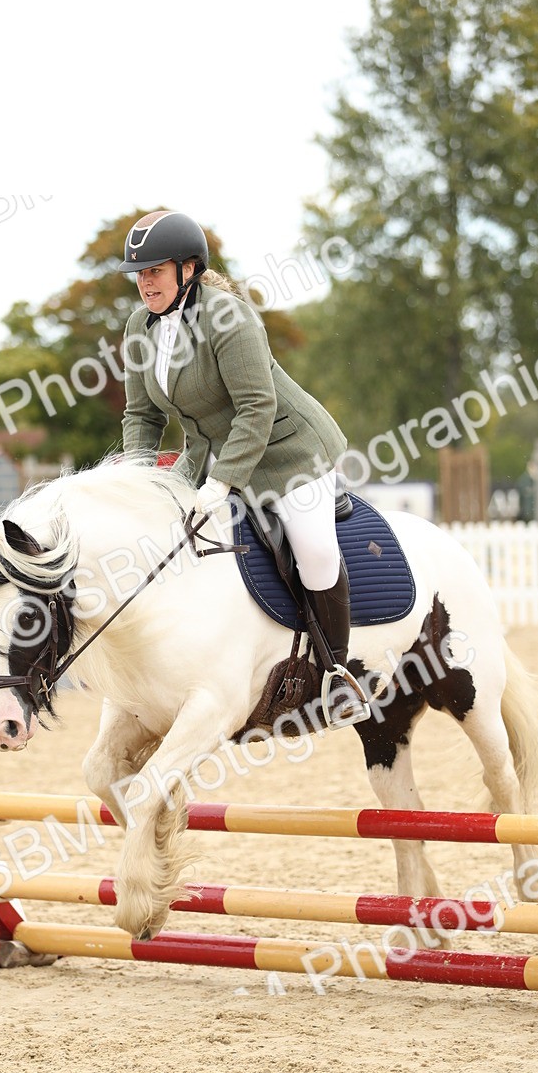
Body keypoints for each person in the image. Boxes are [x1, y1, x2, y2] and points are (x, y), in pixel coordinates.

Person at [118, 209, 369, 729]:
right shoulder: (140, 328)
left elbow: (256, 407)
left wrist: (221, 481)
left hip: (288, 452)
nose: (145, 282)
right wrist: (134, 482)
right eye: (139, 273)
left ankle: (338, 674)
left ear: (189, 269)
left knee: (316, 551)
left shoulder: (228, 317)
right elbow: (140, 415)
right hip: (206, 454)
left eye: (155, 271)